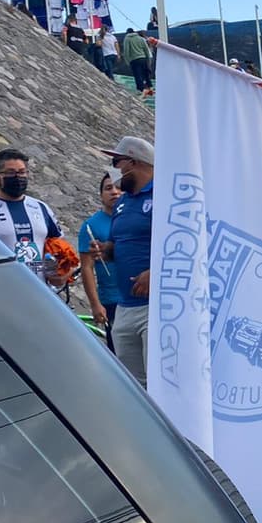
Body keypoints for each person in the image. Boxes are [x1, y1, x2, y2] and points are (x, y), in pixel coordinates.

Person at [91, 137, 155, 387]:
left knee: (158, 381)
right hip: (125, 306)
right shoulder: (124, 203)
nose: (113, 169)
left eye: (116, 162)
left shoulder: (166, 196)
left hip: (155, 307)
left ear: (133, 162)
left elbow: (183, 245)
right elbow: (121, 243)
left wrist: (155, 273)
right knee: (131, 384)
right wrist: (106, 250)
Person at [0, 149, 65, 283]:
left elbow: (57, 245)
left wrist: (59, 272)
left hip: (41, 292)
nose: (17, 177)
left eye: (22, 172)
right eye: (11, 173)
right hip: (0, 291)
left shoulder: (41, 207)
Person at [79, 172, 122, 352]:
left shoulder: (140, 219)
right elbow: (87, 267)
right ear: (101, 195)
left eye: (119, 187)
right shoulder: (91, 226)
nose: (114, 192)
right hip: (112, 299)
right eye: (108, 188)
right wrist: (95, 304)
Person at [122, 27, 153, 92]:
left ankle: (141, 89)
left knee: (137, 75)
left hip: (134, 60)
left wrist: (127, 61)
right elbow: (146, 50)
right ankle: (150, 86)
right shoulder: (140, 38)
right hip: (143, 58)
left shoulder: (127, 39)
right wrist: (148, 60)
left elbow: (126, 51)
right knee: (146, 74)